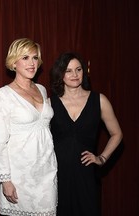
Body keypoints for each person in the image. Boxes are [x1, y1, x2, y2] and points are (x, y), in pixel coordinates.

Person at [49, 52, 123, 216]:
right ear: (60, 74)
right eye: (68, 71)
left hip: (87, 175)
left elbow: (117, 133)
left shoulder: (99, 100)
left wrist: (101, 158)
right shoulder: (50, 104)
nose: (74, 75)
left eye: (78, 69)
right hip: (57, 175)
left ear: (84, 72)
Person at [0, 38, 57, 215]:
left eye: (35, 58)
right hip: (20, 176)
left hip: (46, 170)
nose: (32, 63)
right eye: (25, 57)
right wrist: (5, 181)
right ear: (14, 62)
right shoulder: (4, 95)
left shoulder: (41, 89)